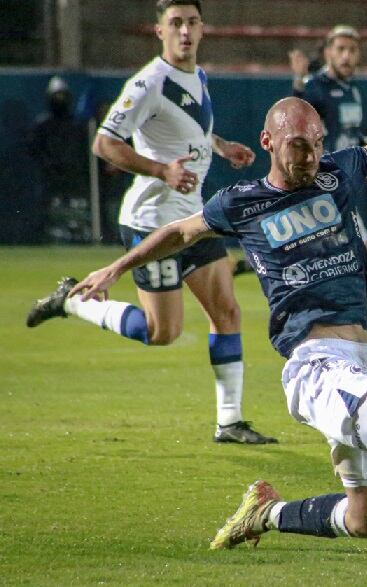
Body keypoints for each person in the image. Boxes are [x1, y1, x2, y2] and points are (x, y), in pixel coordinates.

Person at [67, 36, 367, 578]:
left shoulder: (337, 173)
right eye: (297, 146)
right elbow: (178, 232)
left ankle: (265, 514)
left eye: (315, 143)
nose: (308, 155)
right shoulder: (242, 203)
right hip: (315, 363)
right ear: (268, 142)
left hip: (359, 359)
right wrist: (117, 268)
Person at [25, 0, 275, 445]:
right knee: (163, 332)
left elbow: (187, 130)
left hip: (193, 218)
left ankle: (230, 421)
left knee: (228, 312)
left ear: (202, 29)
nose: (185, 31)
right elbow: (104, 143)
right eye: (175, 23)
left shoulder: (196, 76)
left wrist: (220, 146)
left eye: (192, 22)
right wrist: (161, 171)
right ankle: (74, 302)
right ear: (159, 31)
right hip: (151, 221)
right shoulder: (148, 83)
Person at [290, 25, 367, 249]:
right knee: (359, 247)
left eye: (352, 50)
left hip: (344, 178)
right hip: (322, 179)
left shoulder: (352, 89)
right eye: (341, 49)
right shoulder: (316, 86)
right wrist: (298, 84)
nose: (347, 55)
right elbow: (296, 121)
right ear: (328, 53)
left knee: (324, 251)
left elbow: (349, 133)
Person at [27, 76, 92, 243]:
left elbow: (84, 152)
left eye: (63, 96)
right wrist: (50, 165)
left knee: (78, 210)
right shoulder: (41, 125)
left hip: (75, 178)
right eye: (56, 96)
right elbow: (34, 151)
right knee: (46, 211)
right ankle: (43, 239)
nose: (60, 100)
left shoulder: (78, 126)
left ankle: (81, 238)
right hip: (48, 178)